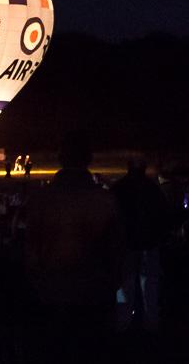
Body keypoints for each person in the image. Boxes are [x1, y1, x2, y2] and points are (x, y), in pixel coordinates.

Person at [24, 134, 125, 362]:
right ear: (88, 159)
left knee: (56, 349)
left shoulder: (42, 200)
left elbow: (31, 246)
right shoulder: (105, 200)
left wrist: (37, 281)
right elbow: (116, 247)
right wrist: (111, 282)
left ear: (60, 159)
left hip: (52, 290)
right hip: (94, 292)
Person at [111, 157, 169, 332]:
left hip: (127, 245)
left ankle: (123, 324)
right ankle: (151, 324)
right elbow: (163, 216)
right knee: (149, 288)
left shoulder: (119, 188)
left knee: (125, 287)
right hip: (148, 244)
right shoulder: (153, 189)